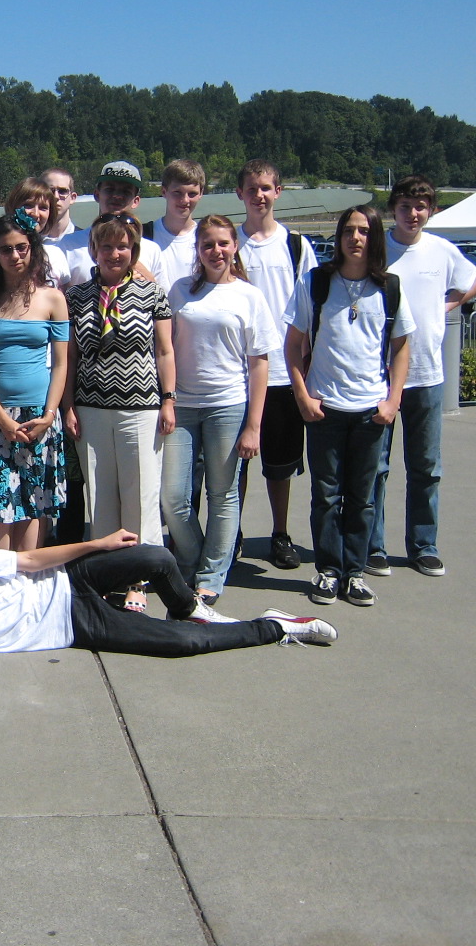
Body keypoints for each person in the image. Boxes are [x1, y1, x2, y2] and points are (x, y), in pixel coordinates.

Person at [0, 531, 337, 672]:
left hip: (66, 581)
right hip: (72, 624)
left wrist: (96, 545)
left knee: (154, 556)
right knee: (185, 645)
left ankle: (187, 604)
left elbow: (29, 560)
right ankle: (275, 626)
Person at [285, 205, 416, 608]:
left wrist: (392, 401)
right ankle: (328, 571)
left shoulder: (389, 287)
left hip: (370, 411)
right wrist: (303, 396)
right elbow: (292, 346)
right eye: (348, 230)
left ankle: (354, 573)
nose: (355, 238)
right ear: (339, 237)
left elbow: (402, 348)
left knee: (363, 496)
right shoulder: (316, 283)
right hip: (324, 408)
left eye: (364, 231)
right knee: (325, 495)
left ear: (374, 238)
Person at [369, 177, 476, 578]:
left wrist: (446, 304)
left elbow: (475, 279)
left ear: (430, 210)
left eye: (420, 206)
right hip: (378, 376)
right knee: (375, 468)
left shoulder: (442, 250)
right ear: (392, 210)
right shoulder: (376, 248)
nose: (412, 214)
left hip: (428, 376)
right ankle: (373, 546)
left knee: (426, 467)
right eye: (404, 206)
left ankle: (423, 546)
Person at [62, 212, 175, 613]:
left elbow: (164, 350)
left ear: (133, 250)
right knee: (101, 495)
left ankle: (138, 580)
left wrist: (169, 399)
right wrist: (68, 405)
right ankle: (107, 575)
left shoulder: (151, 293)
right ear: (94, 249)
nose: (114, 253)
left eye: (122, 246)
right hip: (91, 408)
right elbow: (70, 358)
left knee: (140, 494)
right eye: (106, 246)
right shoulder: (75, 298)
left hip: (140, 408)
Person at [162, 215, 278, 605]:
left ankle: (211, 575)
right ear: (198, 250)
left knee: (222, 494)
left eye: (223, 243)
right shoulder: (180, 291)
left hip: (228, 406)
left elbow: (259, 362)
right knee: (173, 496)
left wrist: (254, 426)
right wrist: (168, 398)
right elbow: (165, 348)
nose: (216, 251)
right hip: (183, 405)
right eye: (208, 244)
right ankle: (191, 559)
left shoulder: (249, 296)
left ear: (234, 247)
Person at [0, 214, 69, 552]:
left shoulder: (53, 299)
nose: (15, 256)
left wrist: (49, 415)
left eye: (22, 248)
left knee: (33, 506)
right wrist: (2, 420)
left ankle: (27, 590)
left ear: (33, 250)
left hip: (39, 415)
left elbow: (61, 363)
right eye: (6, 250)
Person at [234, 160, 319, 571]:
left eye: (267, 188)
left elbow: (311, 312)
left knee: (279, 465)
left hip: (284, 374)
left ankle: (280, 532)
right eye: (252, 188)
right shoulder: (227, 243)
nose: (260, 195)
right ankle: (230, 533)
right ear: (240, 194)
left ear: (279, 192)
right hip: (237, 374)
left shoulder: (297, 246)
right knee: (236, 462)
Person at [65, 160, 163, 286]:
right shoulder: (68, 245)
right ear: (97, 194)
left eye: (126, 192)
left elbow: (161, 298)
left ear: (136, 200)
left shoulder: (152, 250)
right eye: (110, 189)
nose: (117, 196)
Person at [148, 159, 205, 293]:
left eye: (192, 194)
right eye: (177, 193)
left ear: (201, 193)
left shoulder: (206, 239)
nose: (185, 200)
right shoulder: (145, 235)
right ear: (164, 191)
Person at [3, 177, 71, 288]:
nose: (35, 213)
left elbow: (66, 299)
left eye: (43, 208)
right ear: (13, 207)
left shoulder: (55, 254)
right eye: (28, 205)